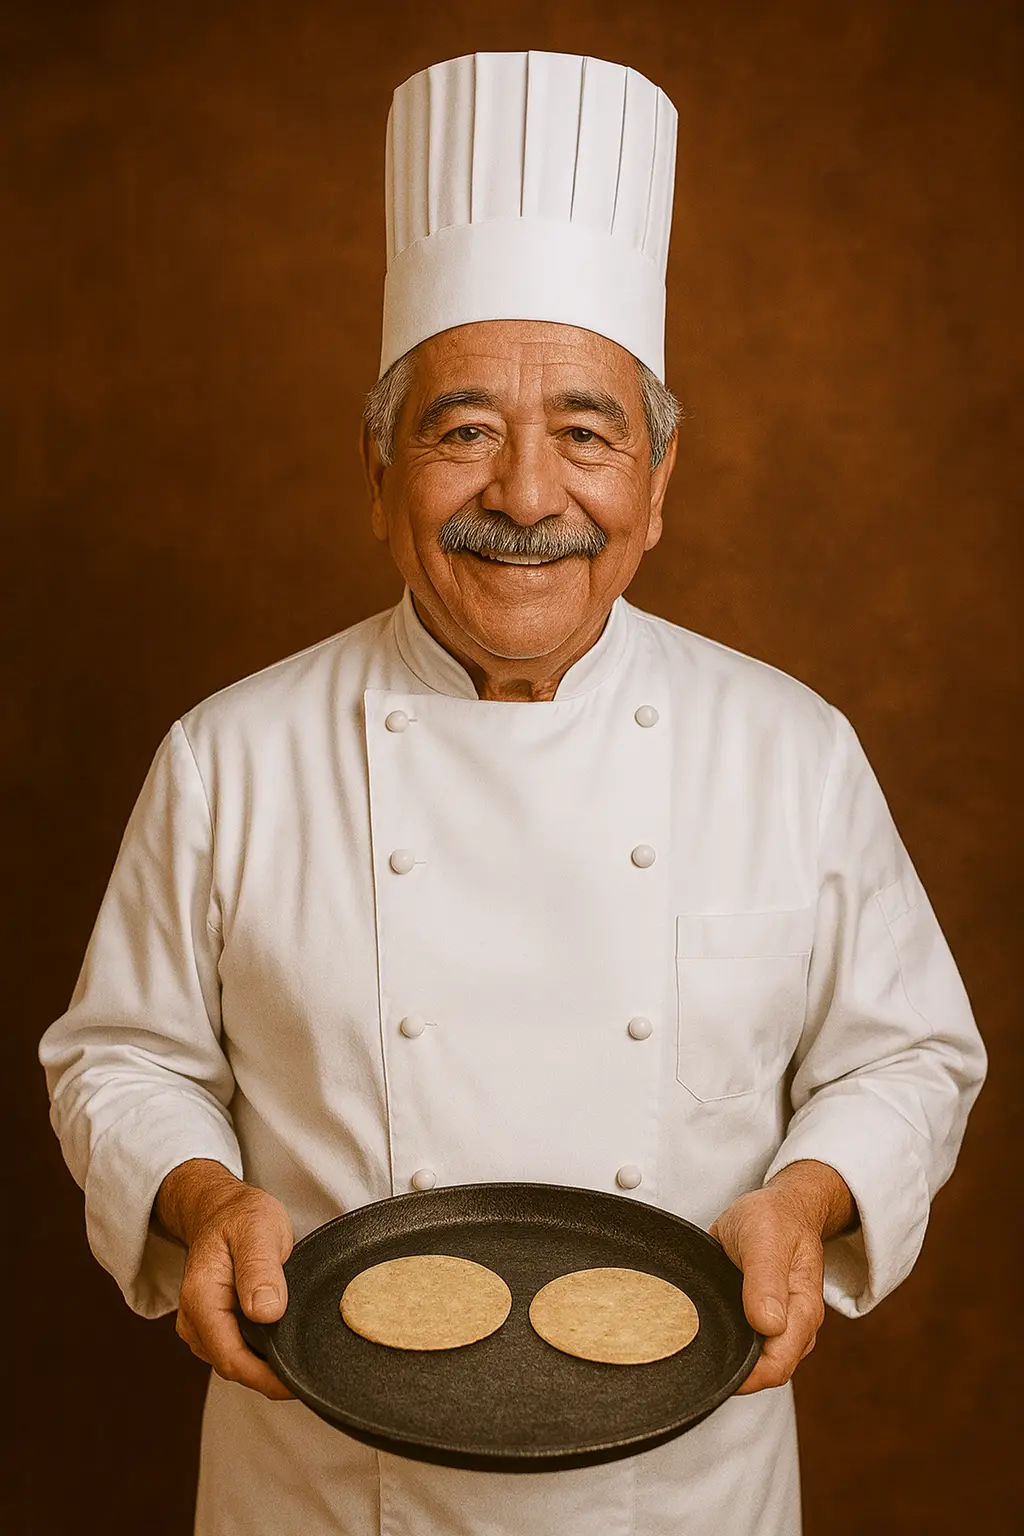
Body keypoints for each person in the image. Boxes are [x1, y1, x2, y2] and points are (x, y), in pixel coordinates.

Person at [40, 50, 986, 1536]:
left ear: (659, 486)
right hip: (326, 1493)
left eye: (589, 435)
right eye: (463, 429)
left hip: (683, 1499)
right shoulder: (229, 754)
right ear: (378, 474)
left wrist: (805, 1199)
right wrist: (206, 1203)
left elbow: (910, 1057)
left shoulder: (791, 747)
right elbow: (121, 1061)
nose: (529, 499)